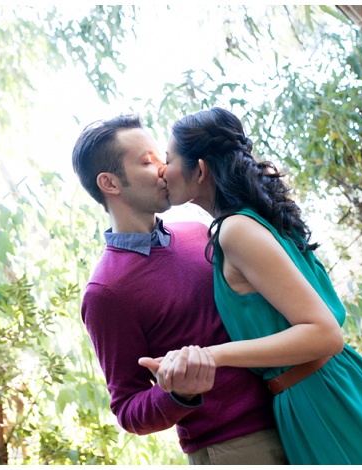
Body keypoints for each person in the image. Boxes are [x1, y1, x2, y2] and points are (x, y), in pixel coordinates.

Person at [139, 106, 362, 465]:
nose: (162, 170)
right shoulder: (255, 218)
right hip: (329, 388)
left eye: (169, 159)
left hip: (322, 399)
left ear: (200, 169)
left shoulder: (235, 230)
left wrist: (211, 356)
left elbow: (324, 333)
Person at [71, 114, 288, 464]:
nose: (163, 168)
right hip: (234, 446)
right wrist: (179, 394)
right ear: (110, 183)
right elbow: (128, 409)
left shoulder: (199, 231)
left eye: (160, 156)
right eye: (146, 161)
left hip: (293, 412)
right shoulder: (106, 292)